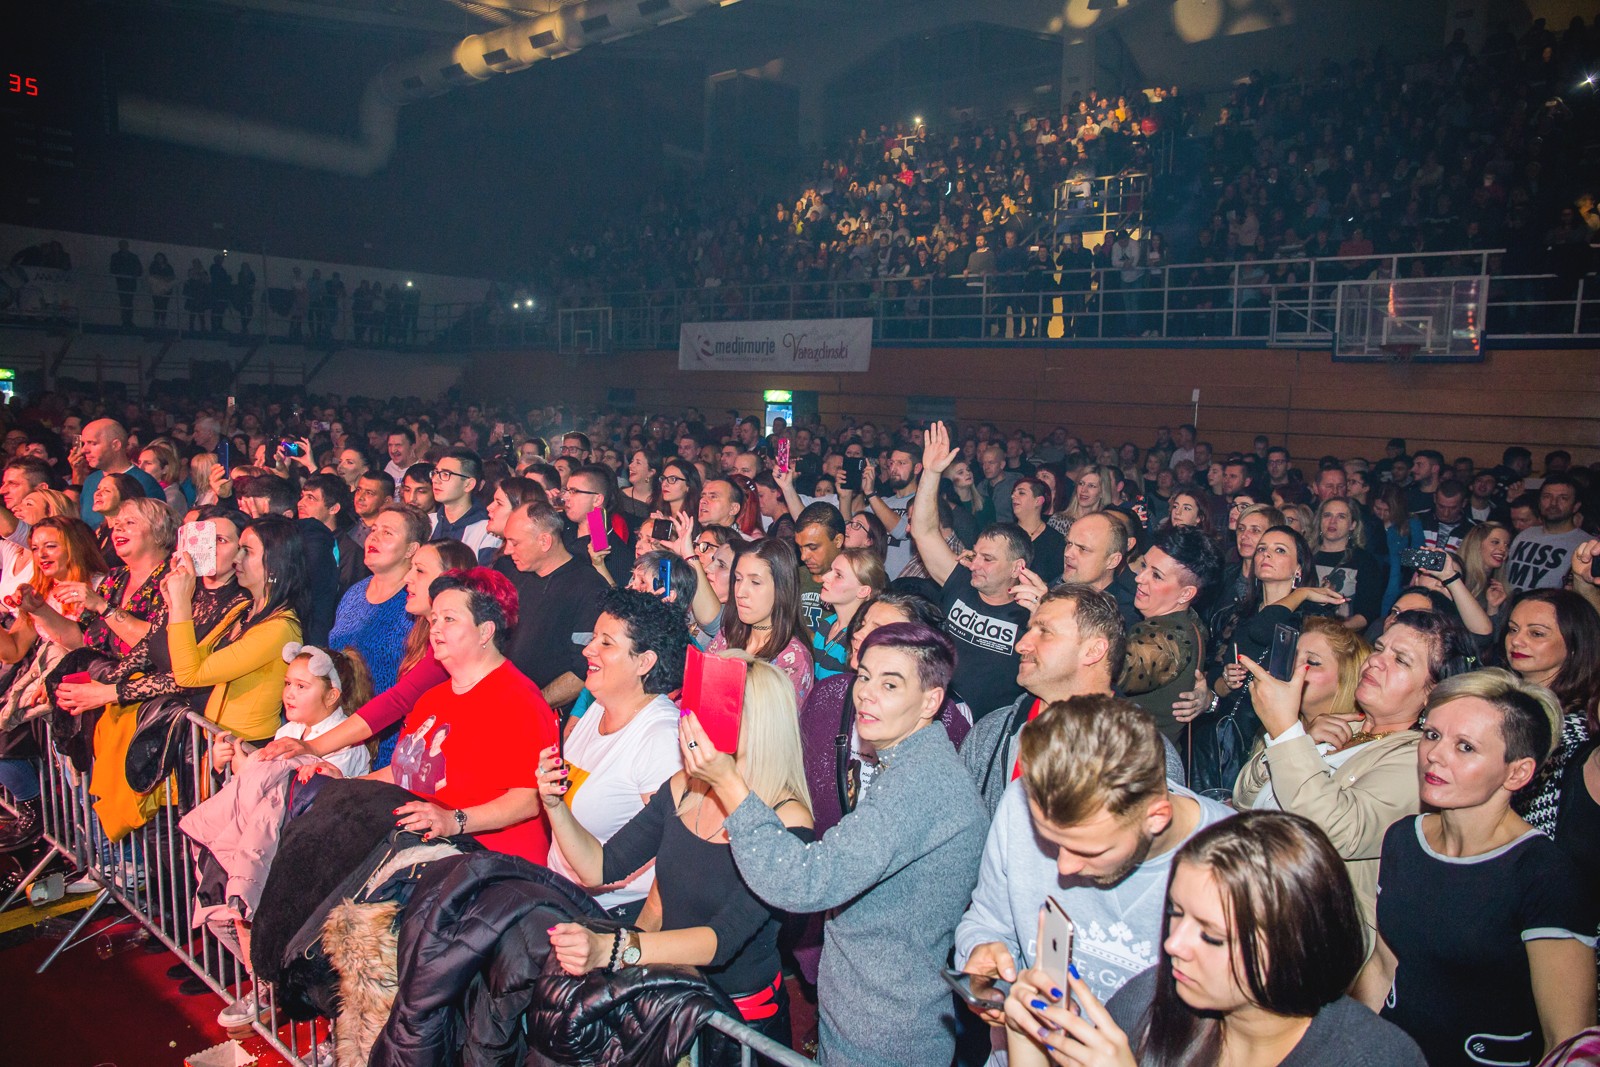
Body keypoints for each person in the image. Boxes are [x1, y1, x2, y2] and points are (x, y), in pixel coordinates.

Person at [684, 621, 988, 1067]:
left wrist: (729, 784)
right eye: (864, 676)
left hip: (888, 1034)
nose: (865, 693)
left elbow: (803, 883)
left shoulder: (922, 785)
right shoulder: (909, 765)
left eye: (890, 683)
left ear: (930, 701)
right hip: (868, 1015)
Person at [1003, 811, 1426, 1067]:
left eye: (1211, 936)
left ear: (1292, 944)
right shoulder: (1151, 998)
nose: (1173, 945)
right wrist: (1026, 1032)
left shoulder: (1371, 1057)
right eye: (1175, 913)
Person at [539, 652, 813, 1046]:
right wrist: (555, 807)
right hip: (675, 999)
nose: (693, 727)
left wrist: (614, 950)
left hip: (738, 1025)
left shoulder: (788, 821)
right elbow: (601, 866)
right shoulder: (685, 787)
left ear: (757, 727)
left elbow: (720, 940)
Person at [959, 692, 1233, 1061]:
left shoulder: (1236, 861)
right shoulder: (1021, 804)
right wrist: (981, 952)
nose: (1064, 868)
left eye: (1089, 850)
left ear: (1156, 817)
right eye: (1049, 841)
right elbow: (987, 919)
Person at [1361, 670, 1597, 1065]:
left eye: (1465, 747)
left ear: (1517, 772)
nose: (1434, 754)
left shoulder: (1542, 872)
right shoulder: (1404, 838)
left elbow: (1568, 1039)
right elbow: (1383, 969)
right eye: (1432, 735)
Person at [1234, 610, 1477, 936]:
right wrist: (1298, 740)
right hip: (1248, 887)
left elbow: (1337, 831)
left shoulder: (1419, 760)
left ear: (1431, 693)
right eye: (1379, 648)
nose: (1376, 661)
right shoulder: (1342, 725)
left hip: (1306, 930)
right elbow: (1244, 798)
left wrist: (1287, 734)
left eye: (1401, 660)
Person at [376, 568, 559, 862]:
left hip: (497, 870)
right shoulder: (431, 699)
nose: (435, 629)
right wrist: (346, 784)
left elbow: (528, 800)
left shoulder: (519, 699)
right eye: (434, 619)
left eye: (449, 619)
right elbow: (403, 773)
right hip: (439, 857)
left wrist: (454, 821)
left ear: (485, 631)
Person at [258, 538, 475, 769]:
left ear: (450, 582)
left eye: (419, 571)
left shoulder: (452, 646)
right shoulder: (425, 635)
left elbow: (398, 701)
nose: (407, 578)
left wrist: (315, 747)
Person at [548, 589, 688, 919]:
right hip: (560, 897)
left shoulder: (660, 739)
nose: (588, 649)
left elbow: (676, 859)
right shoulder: (598, 708)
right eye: (594, 638)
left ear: (644, 662)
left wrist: (635, 947)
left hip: (610, 914)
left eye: (606, 643)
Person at [912, 422, 1032, 717]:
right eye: (976, 554)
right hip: (936, 717)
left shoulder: (1031, 616)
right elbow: (925, 532)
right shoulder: (961, 581)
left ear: (1017, 567)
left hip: (985, 735)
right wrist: (931, 473)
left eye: (988, 559)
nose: (975, 563)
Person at [164, 515, 307, 742]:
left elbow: (189, 675)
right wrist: (174, 604)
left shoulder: (279, 628)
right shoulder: (242, 608)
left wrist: (182, 602)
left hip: (248, 748)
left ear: (274, 564)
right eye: (238, 548)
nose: (236, 559)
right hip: (218, 744)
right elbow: (192, 658)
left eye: (247, 551)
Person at [1495, 589, 1599, 833]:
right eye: (1513, 629)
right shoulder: (1496, 695)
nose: (1517, 641)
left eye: (1536, 633)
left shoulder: (1573, 733)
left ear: (1574, 645)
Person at [329, 503, 425, 765]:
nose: (374, 537)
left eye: (388, 532)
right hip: (343, 730)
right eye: (374, 529)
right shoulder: (354, 593)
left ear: (411, 549)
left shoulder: (417, 602)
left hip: (390, 732)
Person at [500, 501, 607, 711]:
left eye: (515, 542)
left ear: (544, 541)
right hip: (507, 697)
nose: (507, 550)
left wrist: (531, 705)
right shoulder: (516, 574)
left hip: (546, 713)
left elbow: (582, 670)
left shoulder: (589, 587)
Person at [211, 643, 372, 780]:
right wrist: (221, 768)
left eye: (301, 686)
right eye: (288, 683)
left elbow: (305, 801)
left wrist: (248, 772)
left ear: (331, 696)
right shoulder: (288, 730)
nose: (289, 694)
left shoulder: (348, 744)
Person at [1121, 526, 1220, 739]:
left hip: (1138, 762)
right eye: (1144, 566)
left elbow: (1100, 671)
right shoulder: (1189, 621)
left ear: (1186, 593)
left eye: (1156, 576)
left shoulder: (1167, 639)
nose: (1140, 578)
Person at [707, 539, 814, 704]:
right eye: (738, 579)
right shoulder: (728, 634)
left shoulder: (793, 658)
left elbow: (772, 725)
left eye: (755, 582)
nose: (740, 592)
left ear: (781, 589)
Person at [1310, 496, 1385, 630]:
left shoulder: (1365, 561)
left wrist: (1335, 632)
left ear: (1353, 525)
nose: (1332, 521)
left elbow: (1368, 613)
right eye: (1327, 515)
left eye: (1341, 517)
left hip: (1343, 637)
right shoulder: (1305, 555)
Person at [811, 547, 887, 680]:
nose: (825, 577)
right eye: (831, 570)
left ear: (863, 591)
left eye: (838, 575)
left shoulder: (858, 640)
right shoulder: (827, 624)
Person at [75, 419, 164, 530]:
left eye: (93, 443)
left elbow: (156, 531)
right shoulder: (91, 480)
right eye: (84, 443)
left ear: (116, 445)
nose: (84, 450)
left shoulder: (144, 483)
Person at [1504, 474, 1588, 591]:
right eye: (1547, 497)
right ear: (1539, 502)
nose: (1553, 503)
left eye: (1563, 498)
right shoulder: (1525, 534)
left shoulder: (1586, 544)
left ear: (1575, 506)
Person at [428, 448, 501, 563]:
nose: (435, 480)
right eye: (435, 473)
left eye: (445, 474)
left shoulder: (487, 532)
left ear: (468, 484)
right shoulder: (428, 522)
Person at [1010, 476, 1066, 585]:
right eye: (1013, 493)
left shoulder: (1055, 541)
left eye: (1021, 493)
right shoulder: (1005, 534)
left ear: (1038, 501)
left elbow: (1057, 582)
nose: (1013, 496)